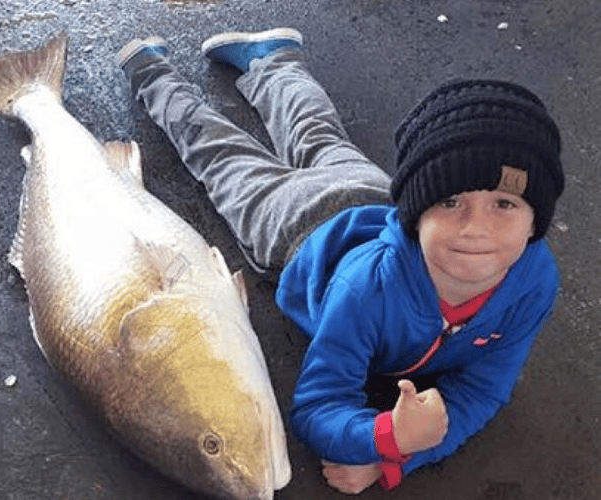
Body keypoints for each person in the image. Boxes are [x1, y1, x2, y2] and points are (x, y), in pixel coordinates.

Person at [115, 28, 565, 494]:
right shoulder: (365, 291)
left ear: (536, 222)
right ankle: (153, 73)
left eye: (504, 205)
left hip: (367, 188)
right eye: (450, 202)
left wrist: (394, 462)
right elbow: (316, 407)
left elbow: (482, 391)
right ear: (414, 214)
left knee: (314, 131)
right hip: (291, 223)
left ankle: (276, 58)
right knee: (220, 154)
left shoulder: (535, 280)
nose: (476, 228)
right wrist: (384, 437)